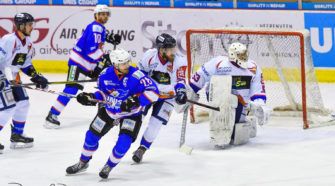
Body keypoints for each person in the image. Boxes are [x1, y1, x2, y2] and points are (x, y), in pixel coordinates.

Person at [65, 48, 159, 179]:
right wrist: (90, 97)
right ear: (115, 64)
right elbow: (102, 94)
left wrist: (136, 101)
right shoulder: (105, 75)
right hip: (110, 111)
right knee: (90, 137)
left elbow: (154, 92)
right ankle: (83, 162)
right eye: (123, 63)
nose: (127, 65)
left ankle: (109, 165)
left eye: (128, 62)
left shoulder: (137, 76)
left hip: (131, 115)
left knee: (123, 144)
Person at [45, 4, 121, 128]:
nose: (104, 16)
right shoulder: (96, 28)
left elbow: (94, 41)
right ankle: (51, 116)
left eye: (106, 14)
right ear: (96, 15)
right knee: (71, 89)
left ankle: (104, 114)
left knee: (104, 83)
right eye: (102, 14)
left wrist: (109, 37)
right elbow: (91, 51)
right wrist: (104, 56)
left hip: (86, 64)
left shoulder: (98, 27)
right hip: (79, 63)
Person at [189, 42, 270, 147]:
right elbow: (201, 75)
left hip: (240, 102)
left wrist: (259, 105)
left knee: (235, 135)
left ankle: (248, 122)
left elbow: (258, 89)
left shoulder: (253, 67)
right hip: (218, 96)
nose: (244, 57)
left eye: (245, 54)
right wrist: (190, 91)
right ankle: (220, 128)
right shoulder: (219, 62)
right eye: (240, 55)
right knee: (223, 122)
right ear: (233, 55)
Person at [132, 33, 188, 163]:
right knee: (136, 115)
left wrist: (181, 92)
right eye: (169, 49)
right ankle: (127, 136)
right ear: (161, 49)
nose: (173, 51)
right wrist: (134, 87)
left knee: (155, 124)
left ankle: (142, 149)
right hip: (149, 92)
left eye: (173, 48)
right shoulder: (149, 56)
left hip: (167, 97)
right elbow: (140, 73)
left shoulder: (179, 61)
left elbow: (180, 81)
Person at [0, 13, 49, 153]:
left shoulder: (27, 43)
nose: (32, 27)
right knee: (8, 108)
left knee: (23, 103)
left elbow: (25, 64)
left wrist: (37, 77)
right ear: (21, 26)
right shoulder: (8, 40)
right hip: (2, 77)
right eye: (29, 24)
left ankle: (17, 135)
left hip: (13, 78)